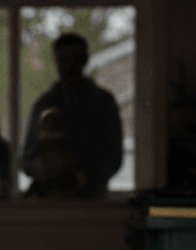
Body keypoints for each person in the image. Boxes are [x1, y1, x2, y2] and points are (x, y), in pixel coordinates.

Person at [20, 32, 124, 198]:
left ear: (85, 60)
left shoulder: (103, 104)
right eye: (63, 60)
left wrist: (85, 176)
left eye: (76, 59)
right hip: (48, 198)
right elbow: (27, 158)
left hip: (89, 198)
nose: (69, 67)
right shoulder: (44, 104)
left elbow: (113, 158)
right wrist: (41, 170)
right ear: (56, 61)